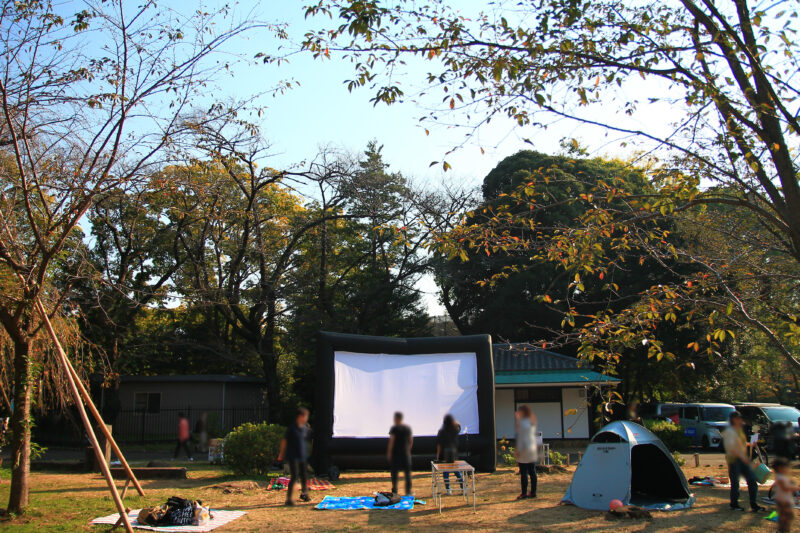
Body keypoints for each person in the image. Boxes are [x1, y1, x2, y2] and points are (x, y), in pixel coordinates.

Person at [722, 411, 765, 512]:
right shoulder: (730, 431)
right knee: (735, 483)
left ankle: (754, 504)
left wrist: (750, 444)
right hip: (734, 460)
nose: (740, 420)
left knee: (752, 481)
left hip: (742, 459)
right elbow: (731, 448)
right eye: (738, 418)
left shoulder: (739, 430)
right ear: (733, 420)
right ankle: (734, 504)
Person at [278, 407, 312, 506]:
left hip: (302, 455)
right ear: (300, 417)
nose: (306, 418)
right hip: (293, 456)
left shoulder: (305, 428)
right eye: (305, 416)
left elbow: (307, 441)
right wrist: (281, 454)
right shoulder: (292, 428)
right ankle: (289, 499)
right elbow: (284, 441)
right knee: (295, 476)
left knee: (304, 475)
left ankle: (304, 493)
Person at [515, 404, 538, 499]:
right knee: (532, 471)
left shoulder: (522, 423)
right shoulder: (531, 421)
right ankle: (533, 492)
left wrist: (518, 450)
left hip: (524, 449)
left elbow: (521, 438)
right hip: (532, 448)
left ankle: (524, 493)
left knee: (524, 472)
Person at [387, 411, 413, 496]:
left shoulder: (394, 428)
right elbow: (411, 440)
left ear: (397, 419)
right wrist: (408, 449)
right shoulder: (407, 428)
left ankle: (395, 490)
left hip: (396, 454)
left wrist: (389, 452)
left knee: (395, 473)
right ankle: (408, 491)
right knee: (407, 473)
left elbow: (392, 440)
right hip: (405, 453)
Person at [437, 414, 463, 494]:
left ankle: (449, 490)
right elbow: (458, 426)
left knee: (446, 473)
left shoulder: (441, 432)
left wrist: (438, 456)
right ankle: (463, 487)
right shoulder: (454, 430)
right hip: (454, 453)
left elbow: (439, 445)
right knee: (456, 471)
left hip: (445, 454)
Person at [772, 457, 796, 533]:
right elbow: (785, 488)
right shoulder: (780, 478)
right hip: (783, 500)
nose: (788, 469)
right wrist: (796, 488)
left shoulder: (782, 477)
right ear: (780, 468)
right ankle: (783, 530)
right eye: (786, 467)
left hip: (784, 499)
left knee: (785, 517)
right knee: (788, 516)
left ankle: (782, 530)